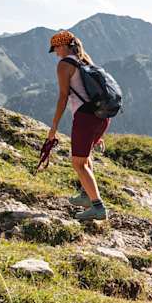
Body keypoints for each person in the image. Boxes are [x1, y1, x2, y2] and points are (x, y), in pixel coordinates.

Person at [44, 30, 109, 221]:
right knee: (84, 158)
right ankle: (86, 195)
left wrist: (54, 126)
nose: (55, 52)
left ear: (63, 46)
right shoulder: (85, 60)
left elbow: (63, 96)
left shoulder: (65, 65)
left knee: (78, 163)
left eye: (55, 48)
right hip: (100, 116)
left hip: (85, 118)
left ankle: (98, 207)